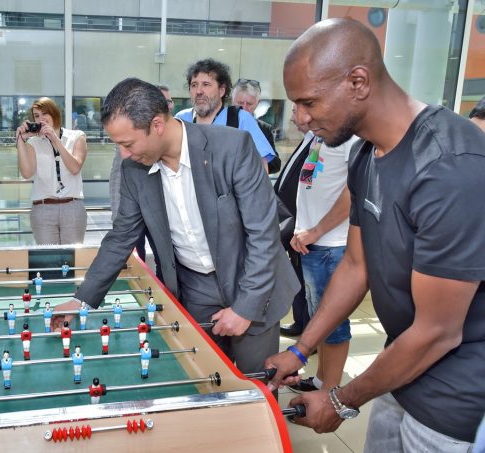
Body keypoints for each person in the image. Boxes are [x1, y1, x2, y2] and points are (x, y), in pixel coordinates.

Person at [265, 18, 485, 453]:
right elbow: (355, 263)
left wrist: (342, 401)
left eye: (308, 102)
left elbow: (438, 332)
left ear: (358, 82)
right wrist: (301, 350)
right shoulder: (367, 152)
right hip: (400, 372)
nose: (300, 119)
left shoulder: (450, 166)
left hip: (454, 400)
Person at [56, 78, 298, 375]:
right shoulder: (134, 170)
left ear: (157, 124)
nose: (124, 155)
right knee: (204, 382)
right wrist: (81, 300)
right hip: (193, 290)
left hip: (252, 282)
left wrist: (245, 308)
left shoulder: (232, 147)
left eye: (128, 144)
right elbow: (121, 238)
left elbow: (264, 234)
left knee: (256, 386)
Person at [288, 134, 358, 392]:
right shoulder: (318, 134)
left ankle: (330, 390)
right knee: (320, 316)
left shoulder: (353, 137)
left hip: (331, 244)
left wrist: (317, 231)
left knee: (333, 321)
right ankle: (321, 380)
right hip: (313, 242)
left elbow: (355, 191)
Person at [175, 59, 277, 173]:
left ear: (222, 91)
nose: (199, 91)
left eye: (206, 84)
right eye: (194, 85)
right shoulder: (181, 119)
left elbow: (261, 167)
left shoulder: (240, 120)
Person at [109, 86, 169, 279]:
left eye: (168, 103)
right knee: (136, 258)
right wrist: (118, 214)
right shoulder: (130, 141)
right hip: (135, 214)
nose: (125, 151)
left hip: (162, 215)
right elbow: (117, 178)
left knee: (165, 261)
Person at [16, 97, 88, 245]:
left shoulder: (77, 137)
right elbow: (26, 173)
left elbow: (75, 167)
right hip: (43, 208)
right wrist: (20, 142)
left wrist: (55, 139)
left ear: (54, 113)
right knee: (48, 261)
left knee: (72, 260)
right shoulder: (33, 142)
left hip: (72, 207)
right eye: (36, 116)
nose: (41, 119)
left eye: (44, 114)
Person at [274, 105, 314, 336]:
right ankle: (301, 323)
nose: (290, 115)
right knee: (298, 278)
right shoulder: (309, 140)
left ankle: (310, 332)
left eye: (294, 109)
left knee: (307, 282)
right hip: (292, 223)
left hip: (305, 226)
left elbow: (309, 186)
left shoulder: (323, 143)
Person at [231, 79, 282, 173]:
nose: (244, 109)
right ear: (232, 101)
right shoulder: (220, 123)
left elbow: (275, 165)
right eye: (240, 103)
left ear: (258, 103)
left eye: (249, 104)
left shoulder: (264, 128)